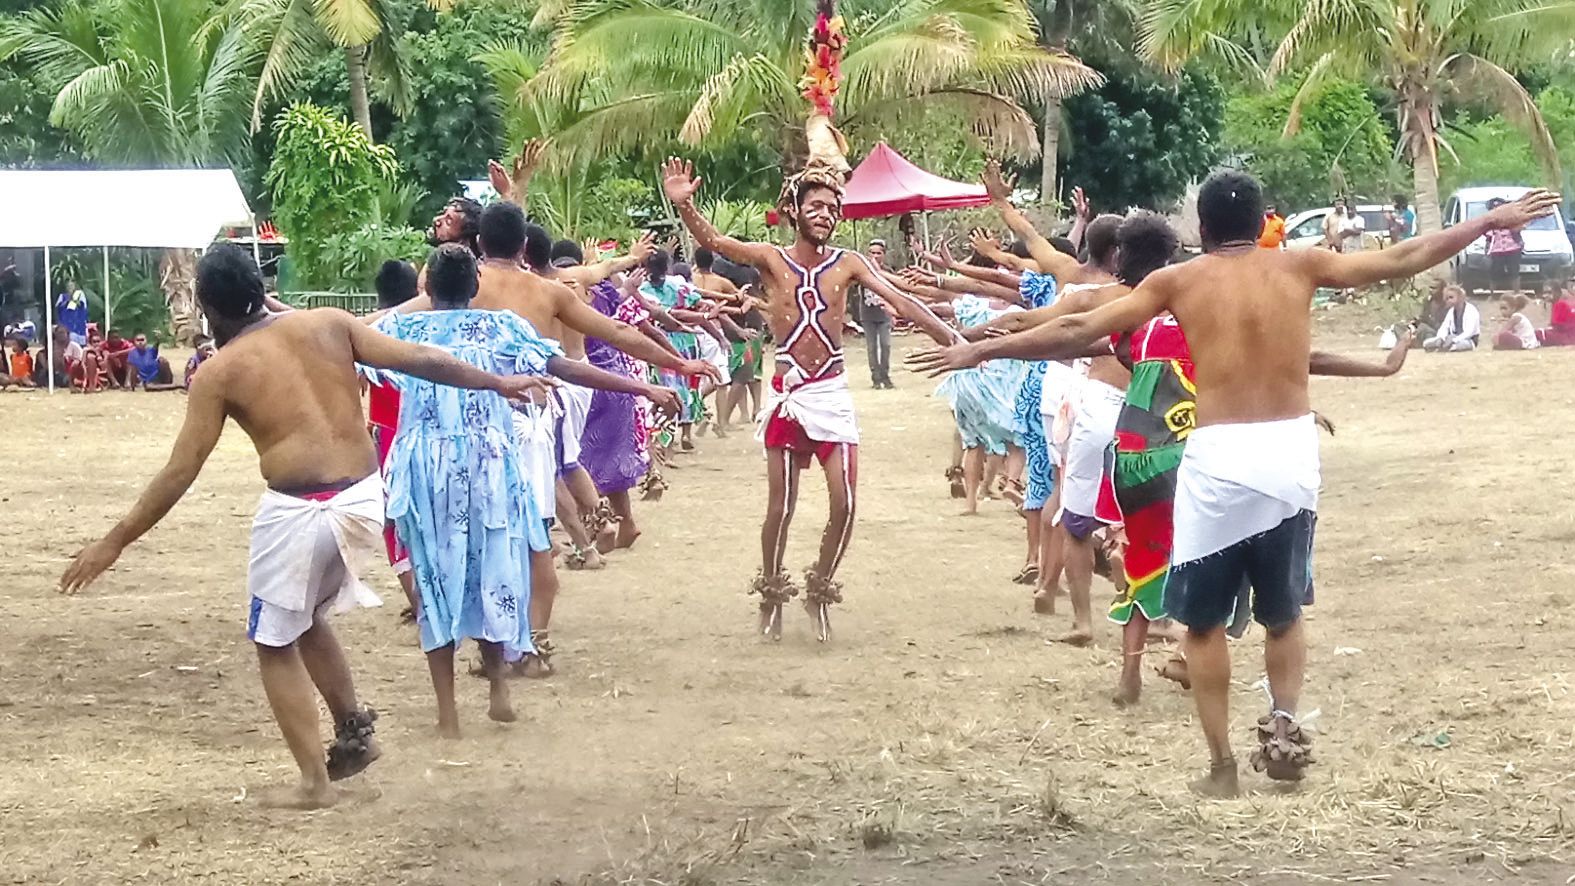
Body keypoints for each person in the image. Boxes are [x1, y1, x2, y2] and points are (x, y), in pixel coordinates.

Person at [910, 168, 1558, 795]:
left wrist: (979, 348)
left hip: (1215, 465)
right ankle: (1283, 720)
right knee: (1282, 615)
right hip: (1288, 460)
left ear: (1202, 226)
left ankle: (1221, 764)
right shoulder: (1302, 264)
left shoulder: (1177, 280)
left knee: (1200, 626)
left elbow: (1081, 328)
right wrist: (1489, 219)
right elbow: (1402, 257)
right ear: (1259, 220)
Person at [59, 243, 553, 809]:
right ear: (260, 286)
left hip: (303, 508)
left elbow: (180, 473)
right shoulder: (330, 323)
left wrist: (113, 542)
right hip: (367, 498)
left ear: (208, 310)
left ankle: (314, 783)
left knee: (271, 640)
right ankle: (352, 728)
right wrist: (497, 382)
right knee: (307, 614)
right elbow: (418, 358)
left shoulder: (219, 371)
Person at [390, 201, 715, 676]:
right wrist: (675, 367)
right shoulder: (548, 293)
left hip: (469, 432)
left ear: (478, 244)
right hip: (530, 424)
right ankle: (529, 639)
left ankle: (498, 642)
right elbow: (618, 331)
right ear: (524, 245)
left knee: (486, 538)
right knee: (532, 537)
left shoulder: (464, 288)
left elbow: (384, 324)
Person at [659, 142, 962, 642]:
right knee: (781, 505)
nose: (825, 215)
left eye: (833, 208)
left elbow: (899, 299)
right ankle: (772, 595)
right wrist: (685, 204)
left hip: (831, 394)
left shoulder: (849, 263)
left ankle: (819, 591)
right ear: (794, 211)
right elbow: (715, 239)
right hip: (790, 395)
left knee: (845, 504)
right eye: (815, 206)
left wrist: (952, 337)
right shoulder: (770, 259)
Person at [857, 239, 895, 389]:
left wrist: (893, 313)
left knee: (885, 345)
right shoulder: (861, 271)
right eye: (872, 253)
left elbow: (894, 293)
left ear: (884, 255)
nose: (875, 256)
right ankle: (876, 378)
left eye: (878, 253)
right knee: (871, 347)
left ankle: (885, 376)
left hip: (884, 314)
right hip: (867, 315)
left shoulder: (888, 272)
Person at [1484, 198, 1526, 298]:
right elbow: (1488, 237)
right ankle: (1492, 295)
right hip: (1496, 249)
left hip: (1513, 248)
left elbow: (1520, 228)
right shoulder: (1490, 222)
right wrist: (1487, 251)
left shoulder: (1512, 220)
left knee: (1514, 271)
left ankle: (1517, 293)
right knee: (1494, 272)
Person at [1423, 285, 1481, 352]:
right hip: (1451, 338)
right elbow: (1444, 327)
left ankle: (1447, 347)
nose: (1448, 300)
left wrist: (1454, 340)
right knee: (1426, 343)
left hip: (1468, 340)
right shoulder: (1451, 311)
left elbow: (1469, 332)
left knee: (1457, 346)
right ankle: (1442, 346)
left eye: (1451, 297)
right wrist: (1441, 338)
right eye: (1447, 298)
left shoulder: (1471, 310)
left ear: (1460, 297)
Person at [1537, 280, 1575, 346]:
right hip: (1569, 336)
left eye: (1549, 292)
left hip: (1568, 338)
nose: (1546, 295)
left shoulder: (1560, 304)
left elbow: (1558, 328)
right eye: (1544, 292)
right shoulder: (1564, 301)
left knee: (1538, 333)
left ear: (1557, 292)